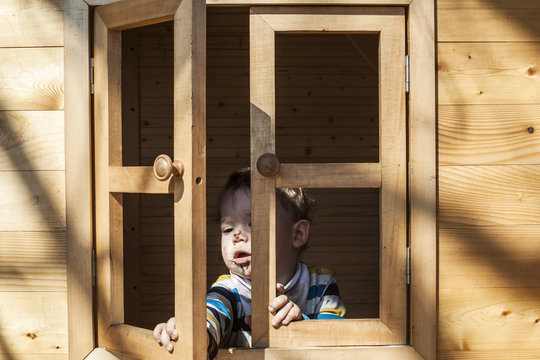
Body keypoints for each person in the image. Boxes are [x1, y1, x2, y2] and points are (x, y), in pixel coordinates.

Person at [154, 168, 345, 358]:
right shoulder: (228, 289)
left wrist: (299, 328)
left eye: (253, 223)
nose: (237, 236)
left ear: (298, 234)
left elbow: (339, 343)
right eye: (227, 229)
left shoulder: (321, 283)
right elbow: (210, 315)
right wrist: (188, 333)